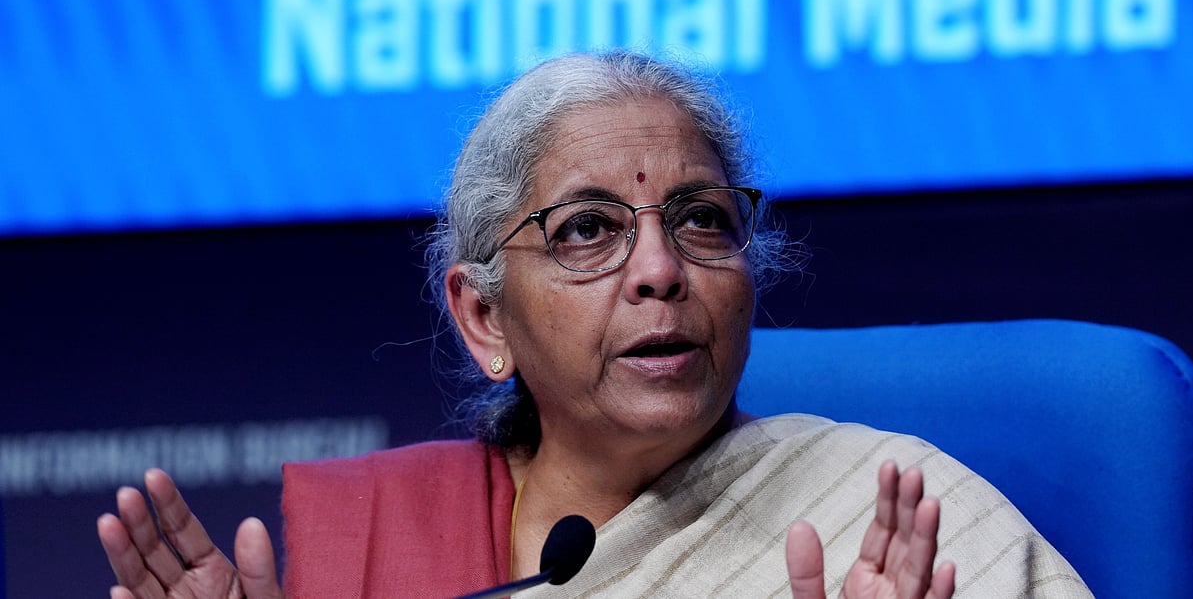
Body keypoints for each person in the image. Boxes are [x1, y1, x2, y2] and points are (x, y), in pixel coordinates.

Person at [97, 50, 1092, 598]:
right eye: (587, 231)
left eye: (703, 219)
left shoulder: (890, 519)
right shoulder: (371, 557)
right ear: (484, 316)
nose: (660, 270)